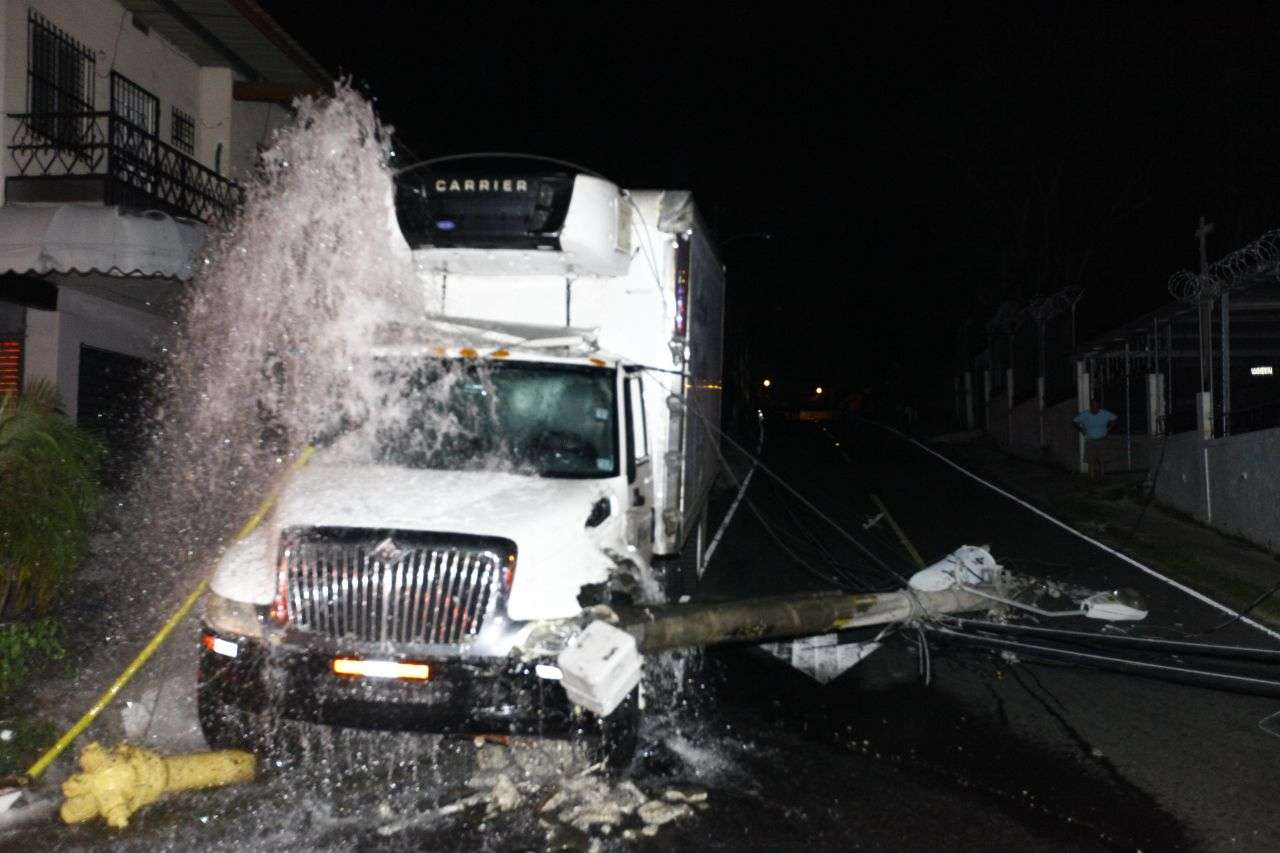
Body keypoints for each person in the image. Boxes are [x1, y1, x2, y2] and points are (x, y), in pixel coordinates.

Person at [1073, 399, 1118, 480]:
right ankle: (1091, 478)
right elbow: (1075, 421)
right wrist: (1081, 429)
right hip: (1090, 440)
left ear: (1099, 406)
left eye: (1097, 405)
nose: (1095, 407)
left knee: (1102, 459)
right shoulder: (1085, 414)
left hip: (1102, 439)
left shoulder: (1105, 413)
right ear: (1091, 406)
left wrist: (1109, 428)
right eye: (1093, 405)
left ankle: (1102, 477)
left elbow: (1115, 418)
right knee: (1091, 460)